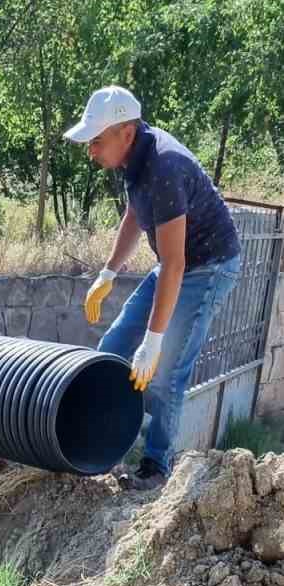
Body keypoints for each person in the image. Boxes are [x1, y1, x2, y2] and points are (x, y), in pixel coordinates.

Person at [65, 86, 241, 489]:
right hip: (174, 263)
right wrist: (108, 273)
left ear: (126, 131)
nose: (90, 150)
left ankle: (156, 467)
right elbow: (135, 215)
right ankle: (98, 442)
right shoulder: (135, 158)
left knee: (165, 375)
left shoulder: (165, 166)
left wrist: (155, 339)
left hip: (208, 267)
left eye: (96, 140)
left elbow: (178, 264)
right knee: (111, 348)